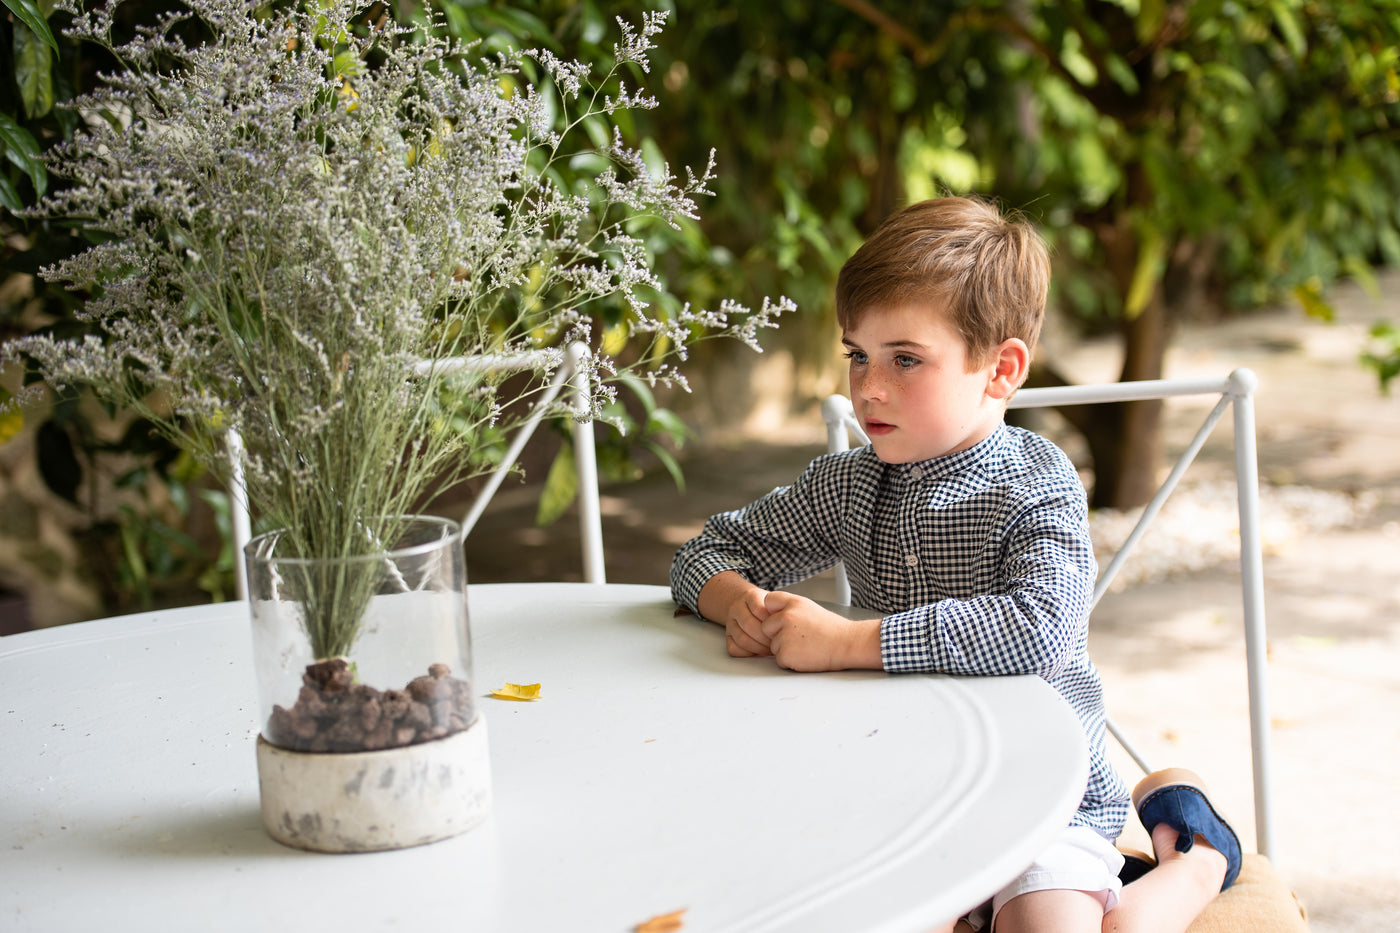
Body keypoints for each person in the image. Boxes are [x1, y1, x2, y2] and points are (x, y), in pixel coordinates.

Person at [669, 196, 1242, 933]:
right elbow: (703, 551)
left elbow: (1035, 631)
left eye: (905, 358)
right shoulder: (848, 483)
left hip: (1042, 790)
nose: (868, 386)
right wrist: (736, 601)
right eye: (858, 355)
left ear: (1000, 369)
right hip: (899, 785)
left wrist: (848, 641)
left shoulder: (1039, 483)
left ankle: (1199, 853)